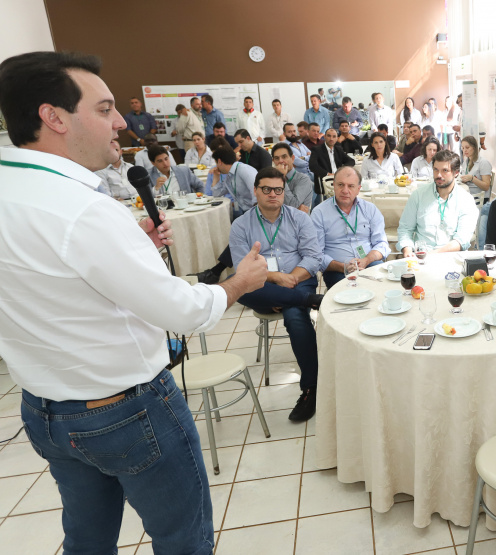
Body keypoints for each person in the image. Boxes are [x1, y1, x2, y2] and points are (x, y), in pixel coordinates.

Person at [0, 50, 268, 555]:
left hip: (44, 410)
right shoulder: (83, 210)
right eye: (103, 109)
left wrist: (129, 248)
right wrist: (236, 284)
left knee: (86, 537)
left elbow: (50, 279)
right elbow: (182, 312)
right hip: (124, 412)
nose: (122, 121)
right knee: (182, 538)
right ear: (52, 117)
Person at [229, 167, 323, 423]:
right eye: (266, 189)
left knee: (295, 318)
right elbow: (241, 268)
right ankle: (308, 301)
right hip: (261, 284)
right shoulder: (241, 225)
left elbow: (312, 257)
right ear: (255, 191)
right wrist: (275, 279)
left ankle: (311, 389)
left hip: (299, 279)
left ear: (284, 192)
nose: (273, 194)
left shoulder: (300, 218)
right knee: (234, 286)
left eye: (278, 190)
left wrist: (289, 279)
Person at [312, 167, 390, 287]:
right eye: (341, 185)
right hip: (336, 270)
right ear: (334, 186)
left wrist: (366, 260)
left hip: (368, 264)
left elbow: (382, 244)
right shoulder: (319, 213)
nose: (345, 190)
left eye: (351, 186)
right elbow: (316, 254)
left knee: (384, 286)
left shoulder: (370, 209)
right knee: (351, 292)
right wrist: (343, 266)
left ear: (358, 189)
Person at [397, 150, 479, 255]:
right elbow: (405, 229)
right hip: (421, 257)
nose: (439, 175)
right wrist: (407, 249)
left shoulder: (466, 200)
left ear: (456, 173)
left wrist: (433, 254)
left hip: (452, 258)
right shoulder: (418, 195)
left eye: (445, 170)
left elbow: (461, 240)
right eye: (436, 170)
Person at [207, 146, 257, 218]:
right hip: (243, 212)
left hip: (253, 212)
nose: (216, 166)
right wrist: (216, 177)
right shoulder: (229, 175)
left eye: (216, 163)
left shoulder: (244, 170)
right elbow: (216, 194)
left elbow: (257, 194)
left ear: (219, 161)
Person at [272, 142, 314, 213]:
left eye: (284, 157)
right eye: (277, 158)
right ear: (273, 161)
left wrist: (281, 178)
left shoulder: (303, 179)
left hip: (297, 222)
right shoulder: (271, 180)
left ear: (292, 158)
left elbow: (293, 205)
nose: (280, 161)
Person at [460, 135, 493, 200]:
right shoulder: (466, 161)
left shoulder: (483, 163)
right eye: (463, 148)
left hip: (479, 198)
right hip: (468, 195)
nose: (464, 150)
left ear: (474, 148)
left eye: (467, 147)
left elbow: (486, 187)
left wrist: (472, 179)